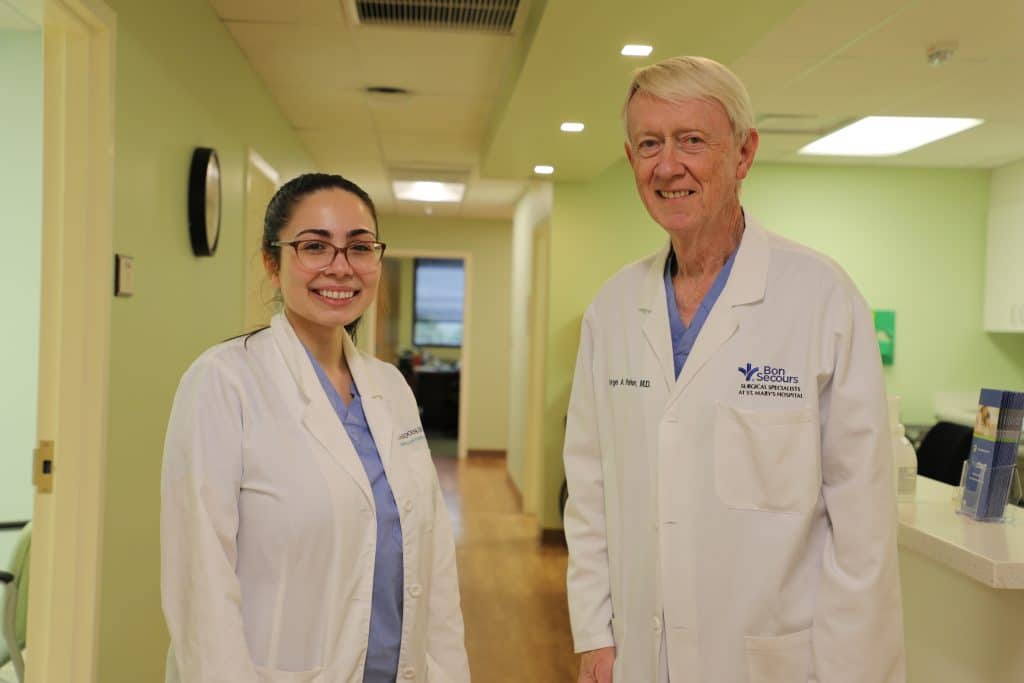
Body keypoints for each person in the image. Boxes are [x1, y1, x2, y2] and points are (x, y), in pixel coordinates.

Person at [562, 56, 905, 682]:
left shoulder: (821, 298)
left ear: (743, 154)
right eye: (648, 144)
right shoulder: (613, 308)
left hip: (772, 660)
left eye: (692, 140)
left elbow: (863, 534)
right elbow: (589, 492)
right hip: (639, 653)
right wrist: (594, 631)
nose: (668, 166)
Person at [161, 173, 470, 683]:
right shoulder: (223, 382)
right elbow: (200, 583)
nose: (340, 267)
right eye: (314, 246)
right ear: (271, 262)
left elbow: (433, 567)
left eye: (359, 247)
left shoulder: (390, 388)